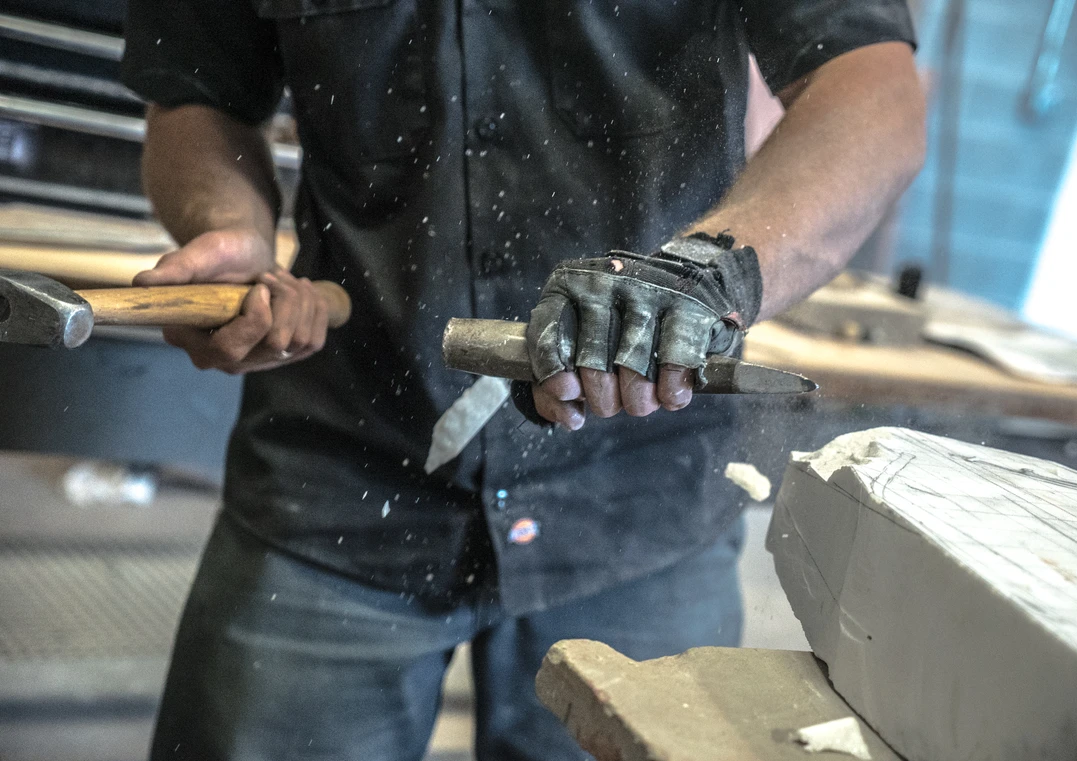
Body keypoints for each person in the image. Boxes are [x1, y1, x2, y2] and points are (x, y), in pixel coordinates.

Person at [121, 2, 924, 758]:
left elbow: (872, 89)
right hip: (337, 472)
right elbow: (197, 97)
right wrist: (226, 225)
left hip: (641, 496)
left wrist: (709, 277)